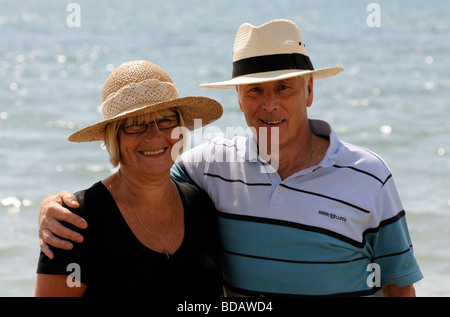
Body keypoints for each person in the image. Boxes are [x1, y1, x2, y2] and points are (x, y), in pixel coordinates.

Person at [38, 20, 423, 296]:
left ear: (309, 91)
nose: (269, 105)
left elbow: (396, 282)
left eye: (284, 88)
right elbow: (142, 178)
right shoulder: (209, 170)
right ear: (239, 98)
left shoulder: (370, 177)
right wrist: (53, 206)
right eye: (254, 90)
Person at [35, 60, 224, 296]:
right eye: (135, 124)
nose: (154, 136)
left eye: (165, 120)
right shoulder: (74, 221)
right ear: (114, 137)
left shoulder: (201, 205)